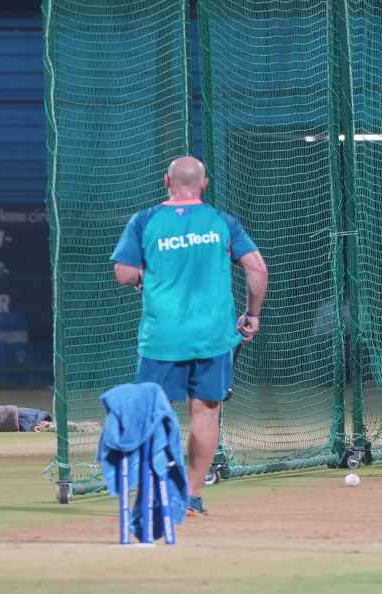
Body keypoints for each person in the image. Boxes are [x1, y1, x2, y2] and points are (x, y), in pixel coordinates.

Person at [111, 156, 268, 514]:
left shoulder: (145, 221)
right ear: (205, 183)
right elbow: (258, 269)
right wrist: (252, 314)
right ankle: (192, 496)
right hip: (212, 335)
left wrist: (146, 277)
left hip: (163, 336)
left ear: (166, 181)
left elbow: (123, 273)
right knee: (206, 413)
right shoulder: (221, 222)